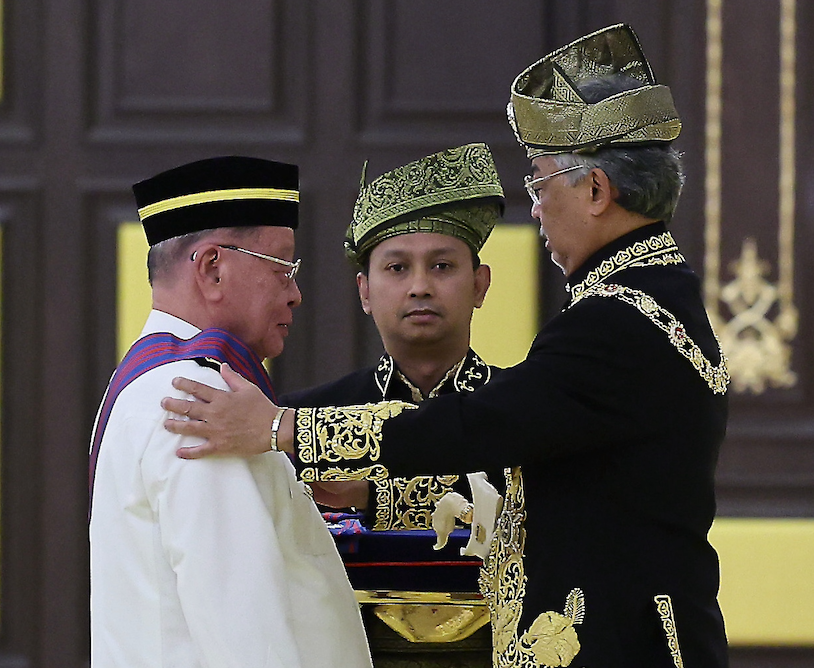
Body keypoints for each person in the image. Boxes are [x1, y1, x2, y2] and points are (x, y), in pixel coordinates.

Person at [164, 24, 730, 668]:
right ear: (364, 289)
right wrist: (375, 496)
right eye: (395, 268)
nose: (536, 209)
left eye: (541, 184)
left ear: (596, 190)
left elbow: (481, 425)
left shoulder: (618, 321)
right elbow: (536, 488)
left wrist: (281, 428)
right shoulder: (650, 302)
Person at [88, 156, 371, 668]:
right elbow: (247, 635)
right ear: (213, 269)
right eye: (283, 268)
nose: (295, 294)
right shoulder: (199, 399)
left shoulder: (150, 382)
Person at [281, 143, 506, 593]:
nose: (420, 286)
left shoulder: (529, 406)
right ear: (364, 291)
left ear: (480, 284)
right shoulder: (302, 419)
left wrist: (371, 496)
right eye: (398, 267)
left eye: (442, 266)